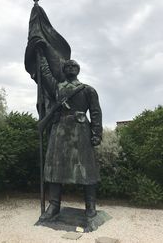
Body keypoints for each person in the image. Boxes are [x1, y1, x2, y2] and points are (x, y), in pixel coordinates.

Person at [39, 56, 102, 220]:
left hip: (80, 131)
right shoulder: (57, 87)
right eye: (68, 66)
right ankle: (54, 206)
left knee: (86, 168)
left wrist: (96, 134)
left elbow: (95, 113)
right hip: (59, 129)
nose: (71, 67)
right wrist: (42, 57)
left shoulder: (88, 89)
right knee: (54, 167)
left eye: (74, 66)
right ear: (64, 70)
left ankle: (91, 206)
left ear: (78, 70)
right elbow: (45, 75)